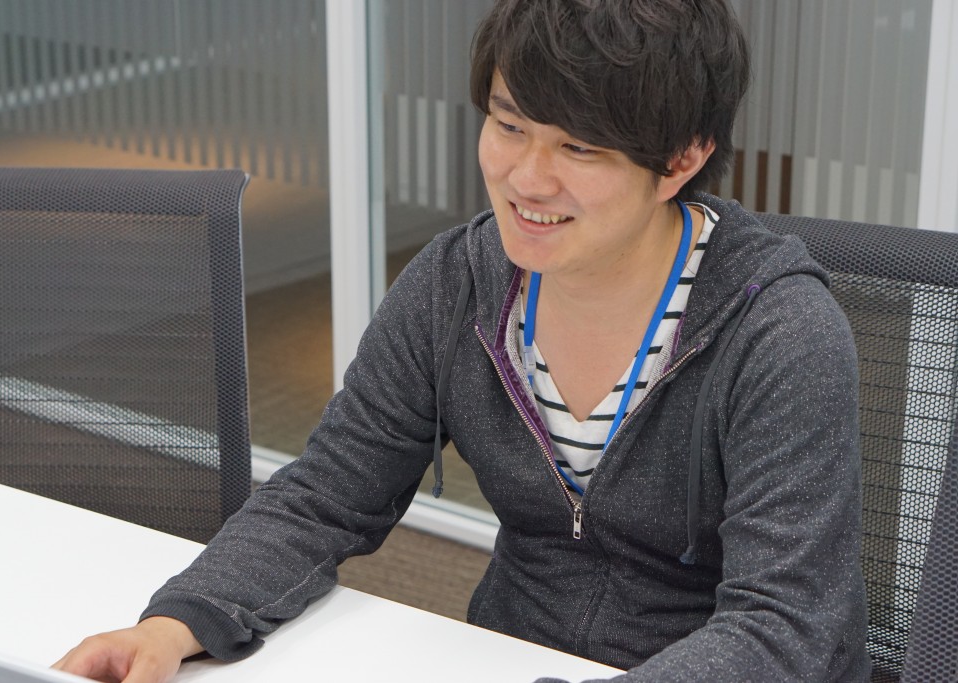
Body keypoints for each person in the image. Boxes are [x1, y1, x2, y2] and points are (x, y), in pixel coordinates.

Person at [55, 0, 870, 680]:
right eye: (510, 125)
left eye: (578, 147)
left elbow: (783, 626)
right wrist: (176, 623)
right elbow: (328, 493)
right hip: (509, 652)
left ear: (682, 159)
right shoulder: (461, 284)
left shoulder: (778, 333)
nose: (527, 178)